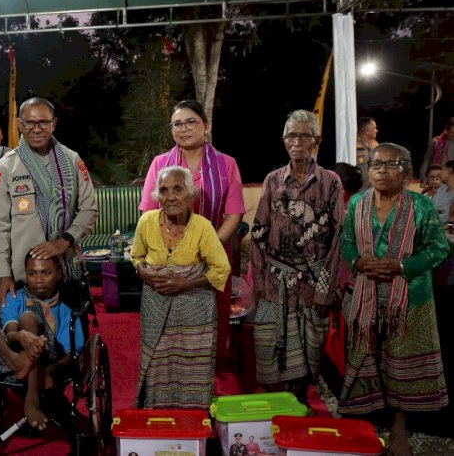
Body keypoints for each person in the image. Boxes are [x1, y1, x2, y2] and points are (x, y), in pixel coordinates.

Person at [339, 142, 449, 456]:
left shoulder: (421, 206)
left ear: (406, 171)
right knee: (366, 355)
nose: (382, 171)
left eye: (391, 164)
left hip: (409, 297)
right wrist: (359, 262)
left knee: (401, 361)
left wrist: (402, 266)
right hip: (366, 294)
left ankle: (400, 426)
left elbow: (439, 249)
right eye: (375, 164)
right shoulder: (357, 203)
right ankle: (368, 422)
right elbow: (347, 242)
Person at [139, 100, 245, 364]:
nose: (184, 128)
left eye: (191, 122)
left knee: (212, 323)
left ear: (205, 126)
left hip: (213, 255)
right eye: (177, 123)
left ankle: (207, 372)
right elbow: (148, 214)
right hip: (169, 256)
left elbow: (234, 213)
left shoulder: (227, 164)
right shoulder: (160, 164)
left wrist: (208, 247)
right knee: (170, 326)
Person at [249, 110, 344, 402]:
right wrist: (259, 280)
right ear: (284, 140)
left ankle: (299, 403)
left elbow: (337, 238)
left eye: (304, 135)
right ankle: (273, 407)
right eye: (291, 135)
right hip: (275, 281)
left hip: (314, 281)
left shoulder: (330, 182)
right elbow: (259, 231)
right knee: (267, 348)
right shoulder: (273, 181)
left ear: (316, 140)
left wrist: (325, 291)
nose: (297, 141)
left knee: (308, 350)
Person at [131, 166, 230, 409]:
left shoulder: (203, 227)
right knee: (157, 360)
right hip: (155, 303)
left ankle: (193, 412)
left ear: (190, 194)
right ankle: (157, 409)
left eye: (178, 189)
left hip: (194, 308)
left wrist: (187, 283)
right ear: (157, 196)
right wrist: (141, 269)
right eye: (164, 190)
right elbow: (136, 256)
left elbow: (221, 269)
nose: (171, 196)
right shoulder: (146, 222)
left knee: (192, 361)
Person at [0, 97, 98, 310]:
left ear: (53, 123)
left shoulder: (72, 160)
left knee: (73, 339)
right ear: (20, 124)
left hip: (66, 272)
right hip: (24, 277)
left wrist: (64, 241)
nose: (36, 129)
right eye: (29, 122)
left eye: (43, 122)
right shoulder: (5, 167)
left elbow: (89, 209)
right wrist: (2, 274)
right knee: (27, 340)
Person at [0, 254, 84, 430]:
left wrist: (50, 370)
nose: (38, 280)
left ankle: (31, 396)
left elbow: (71, 355)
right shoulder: (15, 298)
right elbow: (10, 333)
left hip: (45, 355)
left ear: (58, 274)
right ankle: (27, 385)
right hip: (10, 352)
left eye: (45, 273)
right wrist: (20, 336)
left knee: (29, 316)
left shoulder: (65, 311)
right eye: (32, 274)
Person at [356, 116, 379, 188]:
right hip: (358, 194)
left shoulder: (375, 145)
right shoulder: (352, 148)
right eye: (374, 128)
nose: (376, 130)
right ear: (367, 131)